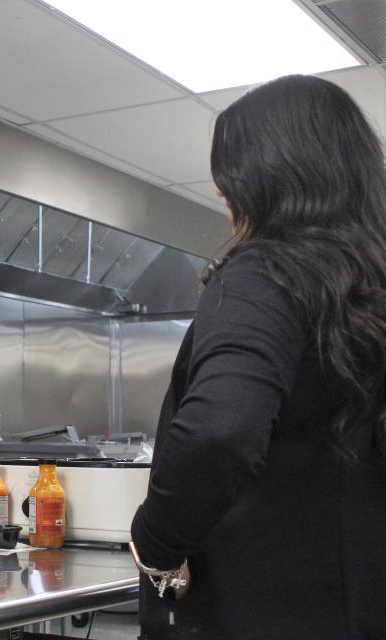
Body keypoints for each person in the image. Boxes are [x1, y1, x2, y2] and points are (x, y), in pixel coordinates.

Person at [130, 75, 386, 639]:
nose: (228, 208)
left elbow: (219, 430)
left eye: (231, 189)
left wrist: (155, 545)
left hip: (254, 609)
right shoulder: (367, 292)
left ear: (268, 183)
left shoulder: (265, 275)